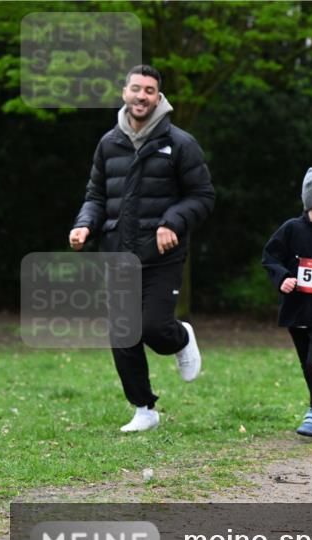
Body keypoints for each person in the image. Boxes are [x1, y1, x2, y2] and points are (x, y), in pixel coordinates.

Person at [70, 65, 214, 433]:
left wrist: (172, 221)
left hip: (160, 252)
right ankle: (144, 408)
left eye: (149, 90)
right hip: (117, 251)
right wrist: (84, 223)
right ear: (124, 93)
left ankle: (181, 337)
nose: (141, 96)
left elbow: (202, 196)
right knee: (123, 333)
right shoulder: (108, 143)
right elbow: (96, 195)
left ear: (158, 97)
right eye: (136, 89)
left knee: (153, 327)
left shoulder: (179, 143)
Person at [262, 167, 312, 437]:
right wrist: (283, 278)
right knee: (307, 363)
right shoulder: (291, 229)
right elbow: (270, 257)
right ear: (311, 200)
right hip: (296, 309)